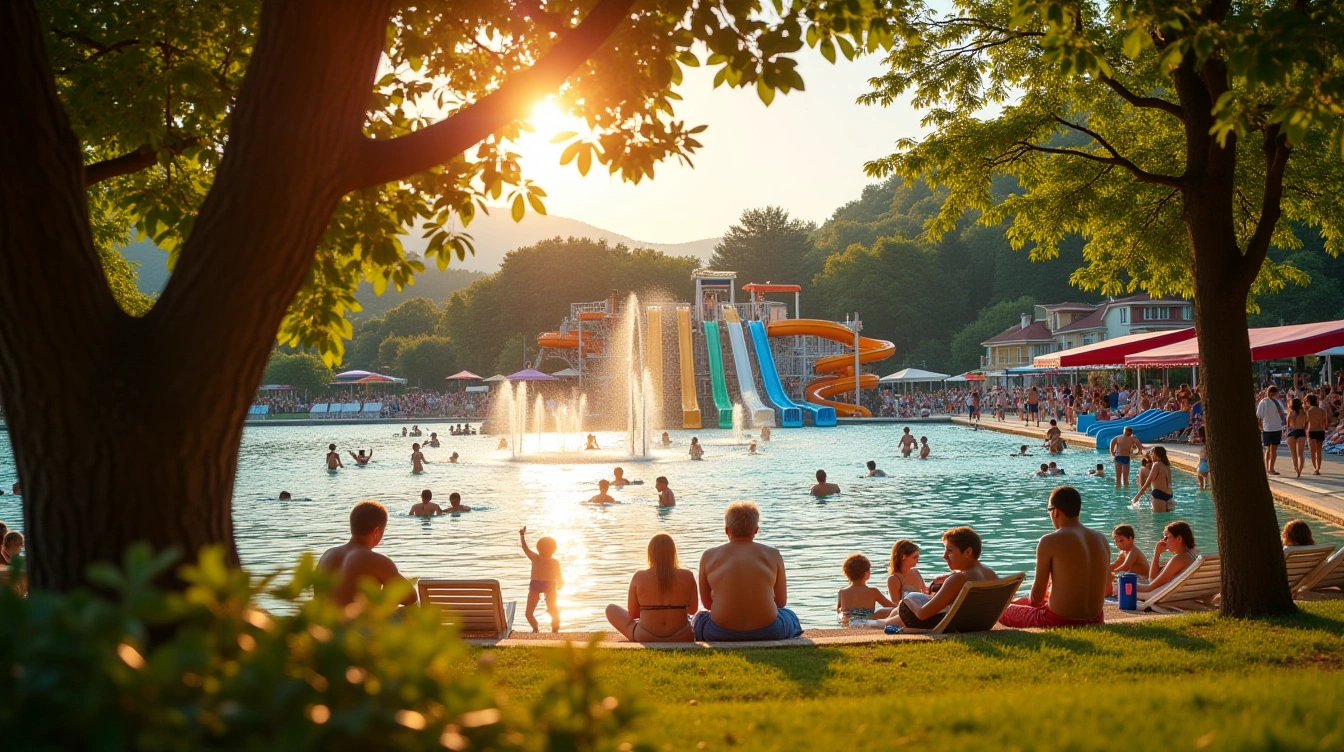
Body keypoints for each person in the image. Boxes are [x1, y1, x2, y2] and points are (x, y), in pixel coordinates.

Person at [998, 487, 1108, 628]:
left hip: (1059, 620)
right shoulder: (1101, 539)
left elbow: (1037, 597)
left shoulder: (1049, 541)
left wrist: (1022, 602)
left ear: (1055, 511)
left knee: (1000, 609)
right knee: (1021, 602)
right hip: (1096, 618)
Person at [693, 501, 802, 641]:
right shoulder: (773, 554)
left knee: (699, 617)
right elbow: (781, 602)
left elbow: (708, 604)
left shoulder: (708, 556)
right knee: (790, 615)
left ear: (726, 530)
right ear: (756, 529)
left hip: (719, 632)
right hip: (769, 631)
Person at [892, 527, 997, 629]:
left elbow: (922, 614)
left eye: (949, 550)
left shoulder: (958, 579)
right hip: (978, 624)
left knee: (905, 607)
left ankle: (877, 622)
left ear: (968, 552)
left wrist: (907, 600)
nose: (944, 555)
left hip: (954, 626)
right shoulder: (990, 574)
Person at [317, 501, 417, 607]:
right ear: (376, 531)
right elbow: (411, 597)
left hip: (325, 622)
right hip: (359, 622)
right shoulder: (377, 560)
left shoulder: (327, 555)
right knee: (413, 608)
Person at [605, 533, 697, 642]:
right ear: (673, 553)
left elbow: (633, 614)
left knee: (610, 609)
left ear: (650, 554)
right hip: (682, 635)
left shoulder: (639, 577)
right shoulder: (688, 576)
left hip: (645, 635)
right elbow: (692, 610)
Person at [519, 526, 563, 632]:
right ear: (554, 549)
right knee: (550, 610)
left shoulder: (537, 558)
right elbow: (560, 578)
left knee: (532, 613)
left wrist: (522, 536)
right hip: (544, 586)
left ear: (538, 548)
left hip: (541, 586)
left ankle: (539, 628)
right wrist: (561, 583)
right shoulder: (537, 558)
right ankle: (546, 628)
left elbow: (525, 548)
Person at [1137, 520, 1198, 595]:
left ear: (1179, 539)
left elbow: (1150, 587)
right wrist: (1157, 555)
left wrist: (1122, 586)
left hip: (1171, 597)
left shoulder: (1179, 559)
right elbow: (1152, 579)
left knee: (1121, 586)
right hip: (1181, 595)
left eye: (1166, 537)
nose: (1163, 541)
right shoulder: (1191, 555)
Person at [836, 554, 897, 623]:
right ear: (866, 573)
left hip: (849, 622)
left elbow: (839, 610)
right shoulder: (873, 591)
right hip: (867, 622)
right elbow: (892, 607)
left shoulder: (842, 592)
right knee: (890, 611)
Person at [1106, 523, 1150, 596]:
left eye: (1120, 541)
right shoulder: (1123, 552)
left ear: (1130, 538)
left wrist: (1111, 573)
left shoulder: (1134, 551)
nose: (1117, 544)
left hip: (1144, 581)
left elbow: (1125, 566)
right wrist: (1104, 569)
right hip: (1134, 578)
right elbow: (1116, 564)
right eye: (1115, 541)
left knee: (1114, 582)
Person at [1132, 447, 1174, 512]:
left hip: (1159, 495)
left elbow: (1148, 482)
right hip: (1170, 495)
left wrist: (1137, 496)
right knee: (1168, 520)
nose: (1151, 456)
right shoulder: (1167, 465)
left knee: (1158, 520)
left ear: (1156, 454)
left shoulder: (1157, 465)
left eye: (1152, 454)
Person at [1257, 385, 1286, 475]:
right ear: (1268, 392)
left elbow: (1282, 413)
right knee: (1268, 449)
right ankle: (1268, 468)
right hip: (1268, 428)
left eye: (1275, 392)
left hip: (1277, 427)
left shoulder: (1278, 402)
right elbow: (1259, 416)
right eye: (1272, 392)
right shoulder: (1264, 402)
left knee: (1273, 449)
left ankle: (1271, 468)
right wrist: (1261, 427)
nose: (1273, 394)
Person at [1285, 397, 1309, 478]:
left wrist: (1286, 434)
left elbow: (1287, 424)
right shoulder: (1303, 412)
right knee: (1300, 453)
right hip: (1300, 431)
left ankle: (1296, 468)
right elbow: (1306, 422)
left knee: (1293, 453)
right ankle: (1300, 470)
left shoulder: (1290, 413)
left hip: (1291, 431)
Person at [1306, 394, 1328, 476]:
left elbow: (1306, 422)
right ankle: (1318, 468)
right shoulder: (1322, 411)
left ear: (1309, 402)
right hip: (1320, 431)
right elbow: (1325, 423)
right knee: (1319, 451)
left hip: (1311, 430)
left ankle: (1315, 468)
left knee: (1312, 451)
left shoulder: (1309, 411)